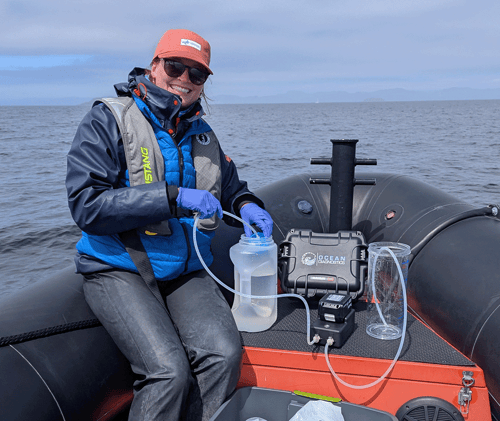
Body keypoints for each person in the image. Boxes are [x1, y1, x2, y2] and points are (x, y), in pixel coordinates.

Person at [66, 29, 273, 421]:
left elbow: (230, 186)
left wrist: (247, 205)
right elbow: (86, 206)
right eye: (176, 66)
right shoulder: (108, 120)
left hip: (184, 268)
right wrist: (172, 197)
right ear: (154, 65)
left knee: (224, 353)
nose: (185, 78)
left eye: (197, 74)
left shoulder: (202, 132)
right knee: (167, 371)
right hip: (118, 266)